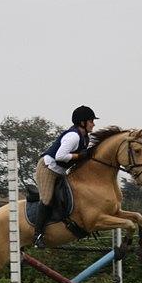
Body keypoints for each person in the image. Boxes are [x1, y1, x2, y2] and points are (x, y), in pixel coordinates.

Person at [33, 105, 99, 248]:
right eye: (91, 121)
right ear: (82, 122)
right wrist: (80, 155)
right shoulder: (73, 136)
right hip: (48, 168)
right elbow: (60, 156)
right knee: (47, 200)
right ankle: (37, 235)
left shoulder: (85, 137)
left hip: (60, 171)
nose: (93, 124)